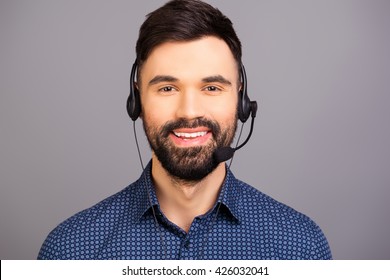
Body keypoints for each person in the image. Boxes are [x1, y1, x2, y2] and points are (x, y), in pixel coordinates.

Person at [38, 0, 332, 260]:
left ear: (241, 100)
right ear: (137, 99)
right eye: (167, 88)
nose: (189, 111)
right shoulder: (70, 253)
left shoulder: (300, 249)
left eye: (212, 87)